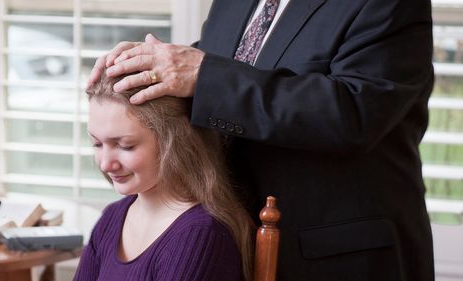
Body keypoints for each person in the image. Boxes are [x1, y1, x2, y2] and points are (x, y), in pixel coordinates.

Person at [88, 0, 435, 280]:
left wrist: (201, 73)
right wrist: (146, 66)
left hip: (335, 258)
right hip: (231, 241)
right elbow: (221, 72)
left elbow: (354, 114)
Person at [73, 69, 254, 281]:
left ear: (174, 142)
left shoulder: (200, 237)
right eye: (97, 143)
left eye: (125, 146)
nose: (105, 163)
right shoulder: (112, 218)